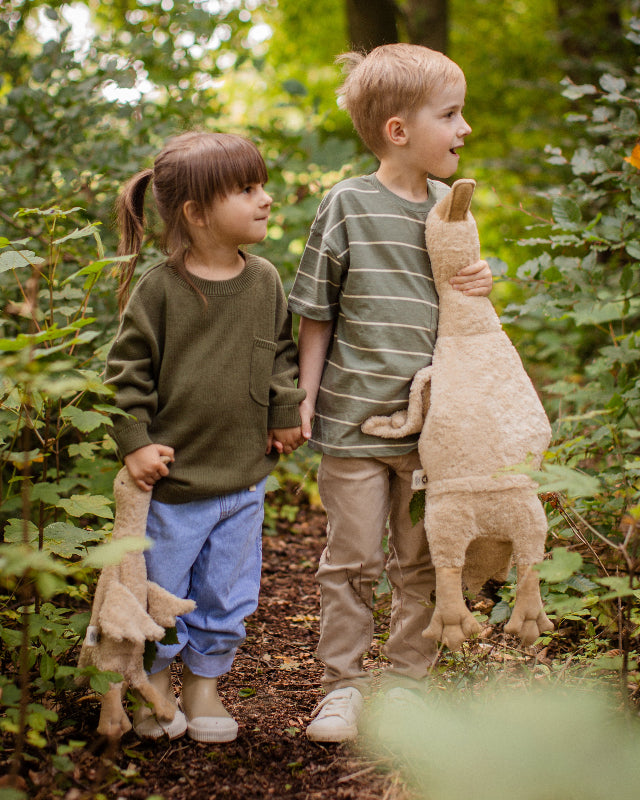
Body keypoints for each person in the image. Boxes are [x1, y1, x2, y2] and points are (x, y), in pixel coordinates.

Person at [287, 44, 494, 743]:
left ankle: (407, 684)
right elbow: (315, 311)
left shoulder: (451, 206)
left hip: (431, 431)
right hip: (349, 422)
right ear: (399, 130)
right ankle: (341, 687)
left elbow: (466, 314)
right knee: (350, 561)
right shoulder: (347, 203)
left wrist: (479, 287)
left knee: (420, 560)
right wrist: (305, 399)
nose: (465, 129)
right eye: (452, 114)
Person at [105, 131, 305, 743]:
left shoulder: (266, 279)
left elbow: (281, 355)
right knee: (165, 591)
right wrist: (135, 440)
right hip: (173, 486)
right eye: (246, 190)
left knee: (227, 591)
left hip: (242, 479)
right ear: (195, 213)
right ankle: (157, 685)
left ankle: (205, 686)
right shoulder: (161, 289)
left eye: (261, 184)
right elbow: (126, 372)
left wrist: (284, 409)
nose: (265, 199)